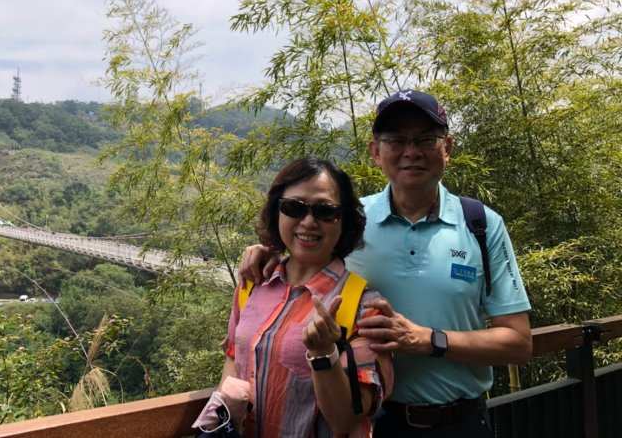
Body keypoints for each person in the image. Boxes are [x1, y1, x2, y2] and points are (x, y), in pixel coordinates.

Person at [239, 90, 532, 437]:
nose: (411, 151)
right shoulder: (348, 221)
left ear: (447, 148)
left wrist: (429, 340)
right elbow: (303, 255)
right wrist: (267, 250)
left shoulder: (481, 224)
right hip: (372, 421)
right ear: (375, 152)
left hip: (461, 421)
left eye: (426, 139)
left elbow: (518, 342)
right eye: (395, 140)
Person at [217, 157, 393, 438]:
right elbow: (233, 359)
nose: (309, 222)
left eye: (325, 211)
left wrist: (324, 355)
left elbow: (347, 421)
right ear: (278, 212)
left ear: (344, 220)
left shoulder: (365, 306)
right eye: (294, 208)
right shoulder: (254, 284)